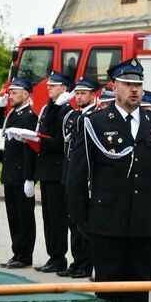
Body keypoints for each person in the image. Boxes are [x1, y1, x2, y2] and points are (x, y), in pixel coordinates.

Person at [68, 58, 151, 302]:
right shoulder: (96, 122)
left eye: (138, 84)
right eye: (128, 84)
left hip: (145, 225)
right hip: (106, 225)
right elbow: (77, 178)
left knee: (139, 294)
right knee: (108, 295)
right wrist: (83, 221)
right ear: (114, 87)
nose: (134, 90)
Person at [58, 76, 100, 279]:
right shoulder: (73, 115)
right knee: (72, 220)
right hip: (70, 174)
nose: (80, 97)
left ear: (93, 95)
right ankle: (77, 261)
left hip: (86, 176)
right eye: (78, 93)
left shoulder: (96, 117)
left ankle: (86, 263)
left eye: (84, 93)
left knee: (84, 222)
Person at [0, 78, 37, 269]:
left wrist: (30, 177)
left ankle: (25, 255)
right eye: (10, 93)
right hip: (10, 173)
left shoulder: (29, 116)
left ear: (26, 94)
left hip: (21, 174)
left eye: (14, 92)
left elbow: (30, 149)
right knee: (13, 216)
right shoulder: (12, 114)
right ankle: (16, 251)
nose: (10, 96)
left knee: (24, 216)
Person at [33, 71, 73, 273]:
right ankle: (52, 256)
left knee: (57, 218)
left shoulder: (65, 110)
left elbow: (59, 140)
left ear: (64, 89)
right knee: (48, 218)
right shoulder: (51, 107)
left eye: (53, 85)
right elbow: (45, 128)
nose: (48, 87)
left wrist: (39, 140)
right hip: (46, 170)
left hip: (57, 171)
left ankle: (59, 258)